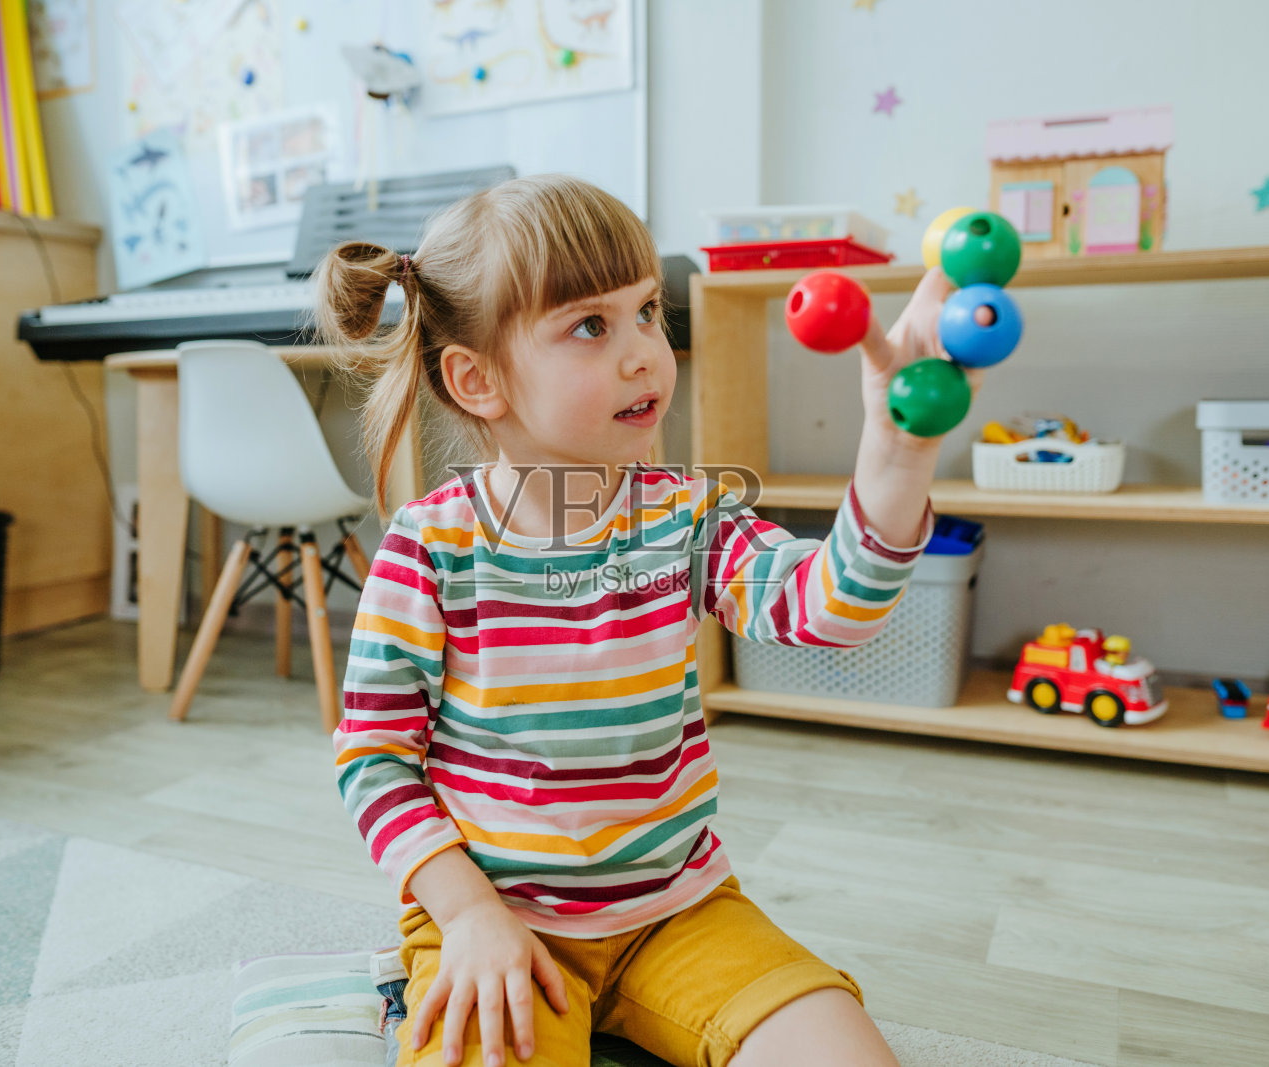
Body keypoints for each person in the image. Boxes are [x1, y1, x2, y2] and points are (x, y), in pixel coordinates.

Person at [319, 174, 977, 1067]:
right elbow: (375, 759)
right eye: (591, 326)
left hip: (680, 908)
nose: (645, 355)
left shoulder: (688, 516)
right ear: (476, 379)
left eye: (647, 312)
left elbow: (828, 609)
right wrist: (467, 914)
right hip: (497, 916)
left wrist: (896, 459)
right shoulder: (428, 549)